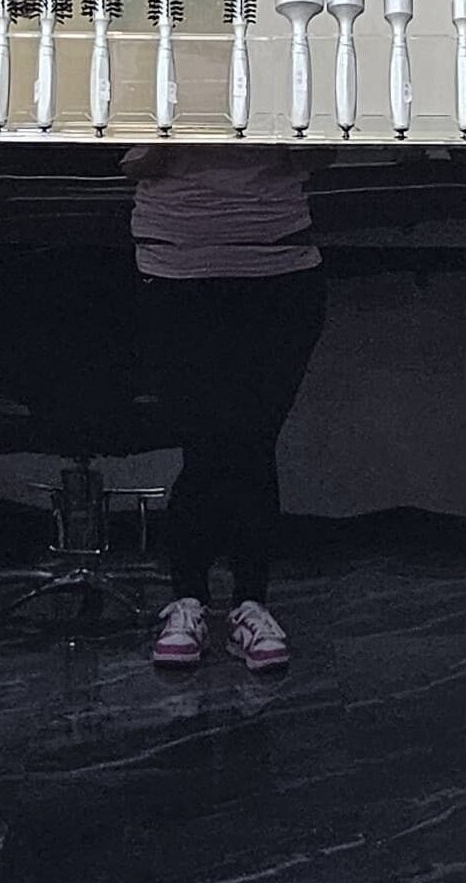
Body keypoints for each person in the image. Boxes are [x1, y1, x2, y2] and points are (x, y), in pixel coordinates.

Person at [123, 146, 326, 671]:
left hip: (278, 256)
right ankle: (194, 602)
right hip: (176, 263)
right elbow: (129, 157)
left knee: (251, 442)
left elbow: (325, 150)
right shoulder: (153, 60)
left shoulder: (287, 58)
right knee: (207, 443)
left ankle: (245, 604)